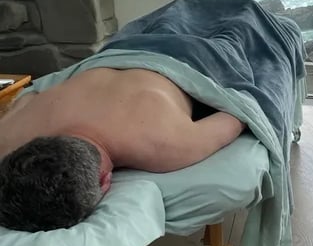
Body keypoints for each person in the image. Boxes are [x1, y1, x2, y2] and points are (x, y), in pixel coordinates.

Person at [0, 67, 246, 232]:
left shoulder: (166, 146)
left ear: (105, 181)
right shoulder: (9, 134)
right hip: (116, 54)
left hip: (180, 57)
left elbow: (239, 114)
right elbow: (25, 97)